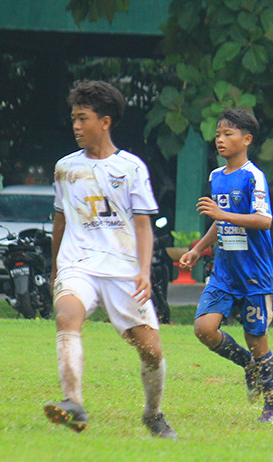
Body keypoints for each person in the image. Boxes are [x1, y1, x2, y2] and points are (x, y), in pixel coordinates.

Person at [44, 79, 176, 439]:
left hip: (123, 269)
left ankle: (153, 414)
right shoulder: (65, 168)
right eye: (73, 118)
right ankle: (73, 402)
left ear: (105, 122)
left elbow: (144, 226)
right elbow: (60, 221)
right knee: (67, 316)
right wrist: (56, 266)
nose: (75, 126)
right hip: (79, 264)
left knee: (151, 350)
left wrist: (144, 273)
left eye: (83, 118)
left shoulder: (131, 168)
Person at [177, 109, 273, 424]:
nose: (220, 140)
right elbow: (219, 224)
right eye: (218, 134)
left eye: (228, 134)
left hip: (254, 274)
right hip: (224, 271)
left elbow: (264, 220)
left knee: (257, 340)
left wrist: (224, 216)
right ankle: (248, 366)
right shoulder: (216, 177)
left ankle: (272, 408)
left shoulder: (253, 176)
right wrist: (197, 249)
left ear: (246, 140)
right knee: (204, 329)